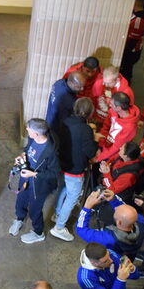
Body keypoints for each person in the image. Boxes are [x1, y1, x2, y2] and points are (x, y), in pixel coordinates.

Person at [50, 98, 97, 241]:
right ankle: (59, 227)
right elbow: (90, 152)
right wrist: (94, 139)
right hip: (75, 169)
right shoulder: (86, 129)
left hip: (61, 164)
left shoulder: (65, 121)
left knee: (63, 189)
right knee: (72, 197)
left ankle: (57, 213)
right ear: (89, 114)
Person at [8, 118, 59, 244]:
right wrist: (21, 156)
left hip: (38, 186)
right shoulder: (33, 139)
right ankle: (19, 218)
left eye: (28, 129)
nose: (26, 129)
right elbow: (27, 150)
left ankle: (38, 232)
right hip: (25, 179)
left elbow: (54, 173)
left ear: (37, 133)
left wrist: (34, 174)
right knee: (20, 200)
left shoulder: (50, 151)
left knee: (35, 210)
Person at [76, 189, 144, 261]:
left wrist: (87, 207)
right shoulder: (141, 222)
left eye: (115, 212)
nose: (115, 208)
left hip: (113, 261)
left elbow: (81, 230)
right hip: (128, 257)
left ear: (119, 222)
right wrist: (114, 199)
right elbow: (125, 209)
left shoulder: (108, 239)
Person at [119, 0, 144, 83]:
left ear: (135, 1)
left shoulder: (139, 20)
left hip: (130, 51)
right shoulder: (141, 13)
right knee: (127, 69)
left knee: (125, 71)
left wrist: (122, 53)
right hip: (131, 50)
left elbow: (132, 41)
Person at [94, 92, 140, 163]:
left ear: (118, 108)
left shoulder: (129, 128)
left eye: (111, 104)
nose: (109, 105)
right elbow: (106, 127)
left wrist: (99, 158)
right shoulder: (113, 111)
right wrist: (100, 145)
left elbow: (115, 148)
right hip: (104, 145)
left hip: (110, 156)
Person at [45, 71, 85, 137]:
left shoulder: (59, 83)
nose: (82, 89)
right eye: (79, 87)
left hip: (49, 119)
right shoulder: (68, 99)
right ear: (72, 83)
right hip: (57, 129)